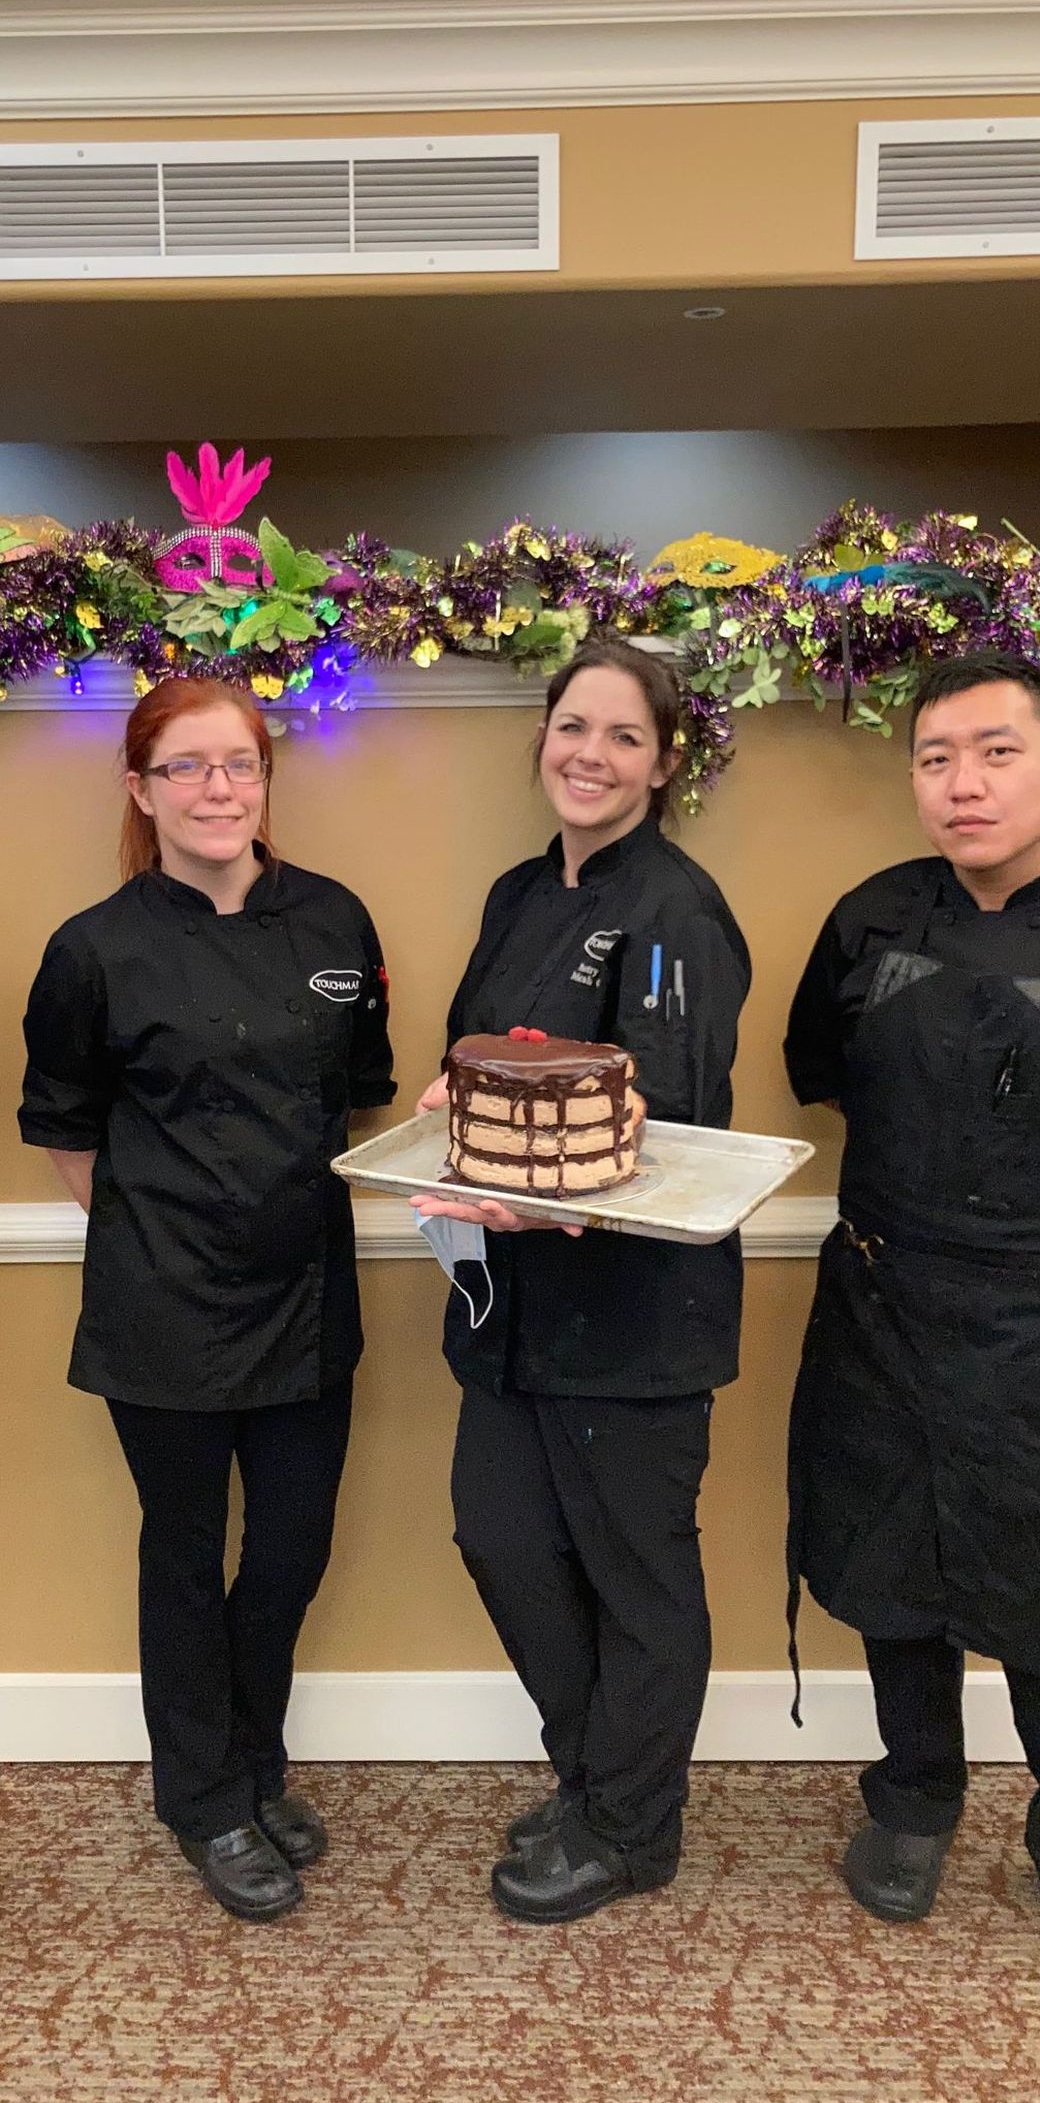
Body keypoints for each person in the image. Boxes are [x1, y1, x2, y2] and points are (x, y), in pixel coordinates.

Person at [783, 648, 1040, 2007]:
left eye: (996, 751)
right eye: (936, 757)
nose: (962, 782)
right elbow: (827, 1079)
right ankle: (914, 1798)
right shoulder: (864, 923)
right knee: (892, 1571)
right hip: (883, 1304)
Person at [20, 675, 394, 1922]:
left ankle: (251, 1764)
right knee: (184, 1559)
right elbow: (68, 1133)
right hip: (161, 1307)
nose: (218, 789)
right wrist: (157, 1235)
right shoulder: (93, 950)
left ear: (265, 778)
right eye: (186, 768)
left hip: (308, 1298)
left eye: (237, 764)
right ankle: (206, 1799)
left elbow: (357, 1096)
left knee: (288, 1551)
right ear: (141, 789)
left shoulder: (337, 921)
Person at [412, 635, 751, 1924]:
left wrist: (544, 1190)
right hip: (503, 1300)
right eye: (572, 727)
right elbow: (480, 1055)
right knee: (501, 1537)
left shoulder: (675, 913)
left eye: (622, 736)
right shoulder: (515, 894)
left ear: (664, 764)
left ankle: (628, 1825)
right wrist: (453, 1106)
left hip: (632, 1315)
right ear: (541, 738)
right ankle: (595, 1772)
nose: (589, 755)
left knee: (638, 1574)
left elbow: (673, 1111)